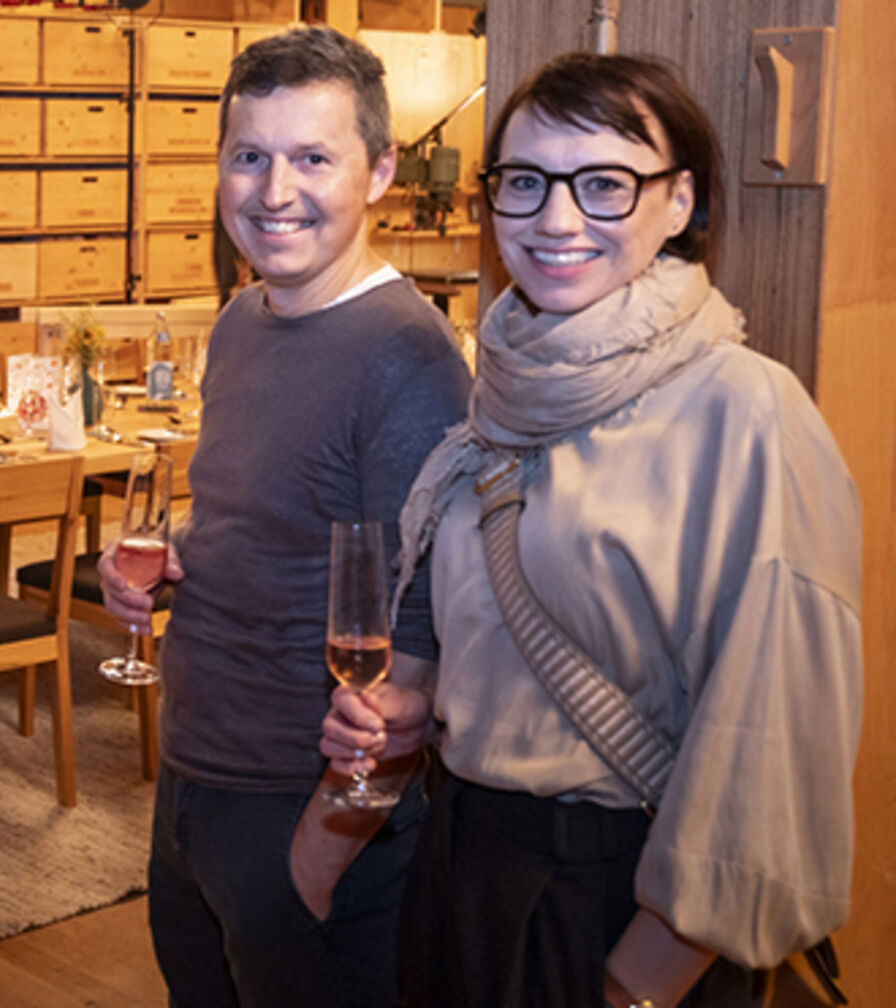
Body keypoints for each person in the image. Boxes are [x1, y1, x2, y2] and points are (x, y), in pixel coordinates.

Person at [322, 53, 861, 1008]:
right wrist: (436, 699)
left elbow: (770, 735)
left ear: (680, 202)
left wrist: (644, 980)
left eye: (605, 184)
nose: (555, 220)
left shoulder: (744, 412)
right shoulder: (504, 390)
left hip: (619, 897)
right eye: (524, 183)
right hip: (464, 865)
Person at [97, 25, 472, 1007]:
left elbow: (420, 637)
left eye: (313, 158)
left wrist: (311, 863)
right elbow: (259, 521)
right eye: (249, 157)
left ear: (381, 170)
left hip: (299, 806)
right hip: (192, 779)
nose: (273, 192)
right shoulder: (241, 320)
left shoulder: (408, 358)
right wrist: (168, 558)